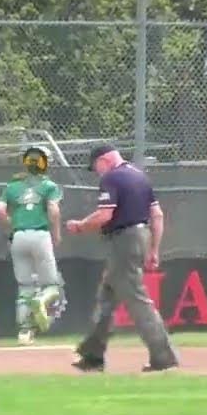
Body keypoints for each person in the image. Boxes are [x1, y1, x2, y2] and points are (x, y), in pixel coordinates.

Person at [68, 145, 179, 373]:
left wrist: (80, 226)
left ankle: (163, 356)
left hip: (123, 240)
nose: (97, 172)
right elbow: (157, 215)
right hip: (140, 236)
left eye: (96, 166)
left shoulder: (112, 178)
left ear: (105, 160)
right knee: (107, 298)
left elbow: (105, 215)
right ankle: (93, 355)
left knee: (136, 298)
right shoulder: (139, 177)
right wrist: (154, 249)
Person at [0, 146, 65, 345]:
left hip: (18, 237)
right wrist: (57, 233)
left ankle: (25, 333)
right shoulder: (49, 186)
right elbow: (53, 210)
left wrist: (12, 226)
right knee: (51, 285)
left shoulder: (12, 186)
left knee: (24, 286)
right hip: (40, 235)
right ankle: (42, 300)